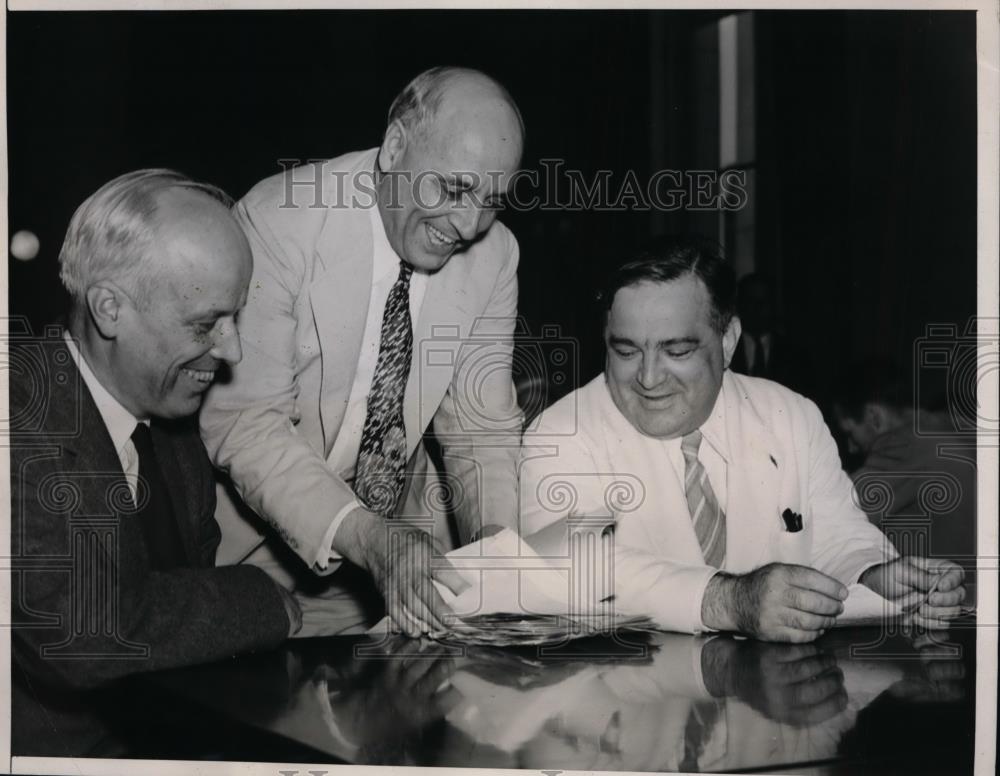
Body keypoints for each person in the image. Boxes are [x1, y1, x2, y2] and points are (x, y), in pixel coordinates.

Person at [199, 66, 524, 637]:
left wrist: (497, 562)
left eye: (492, 200)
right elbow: (247, 426)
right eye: (453, 188)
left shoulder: (495, 255)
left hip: (404, 567)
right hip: (255, 565)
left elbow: (482, 430)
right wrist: (370, 539)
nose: (471, 224)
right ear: (396, 146)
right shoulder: (279, 221)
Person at [519, 237, 965, 642]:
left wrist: (874, 574)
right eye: (626, 351)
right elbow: (576, 573)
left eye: (677, 351)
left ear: (728, 340)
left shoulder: (791, 416)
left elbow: (836, 532)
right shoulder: (560, 434)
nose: (649, 378)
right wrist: (732, 601)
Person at [9, 170, 302, 757]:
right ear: (110, 308)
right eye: (204, 324)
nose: (232, 351)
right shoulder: (18, 415)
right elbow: (84, 631)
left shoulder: (171, 431)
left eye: (236, 318)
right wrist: (265, 598)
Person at [833, 360, 976, 581]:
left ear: (874, 417)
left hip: (942, 598)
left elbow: (833, 514)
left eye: (850, 433)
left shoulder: (902, 447)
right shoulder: (953, 428)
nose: (851, 447)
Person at [729, 271, 813, 396]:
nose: (758, 307)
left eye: (764, 301)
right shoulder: (727, 350)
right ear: (739, 304)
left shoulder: (794, 355)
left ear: (774, 305)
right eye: (751, 300)